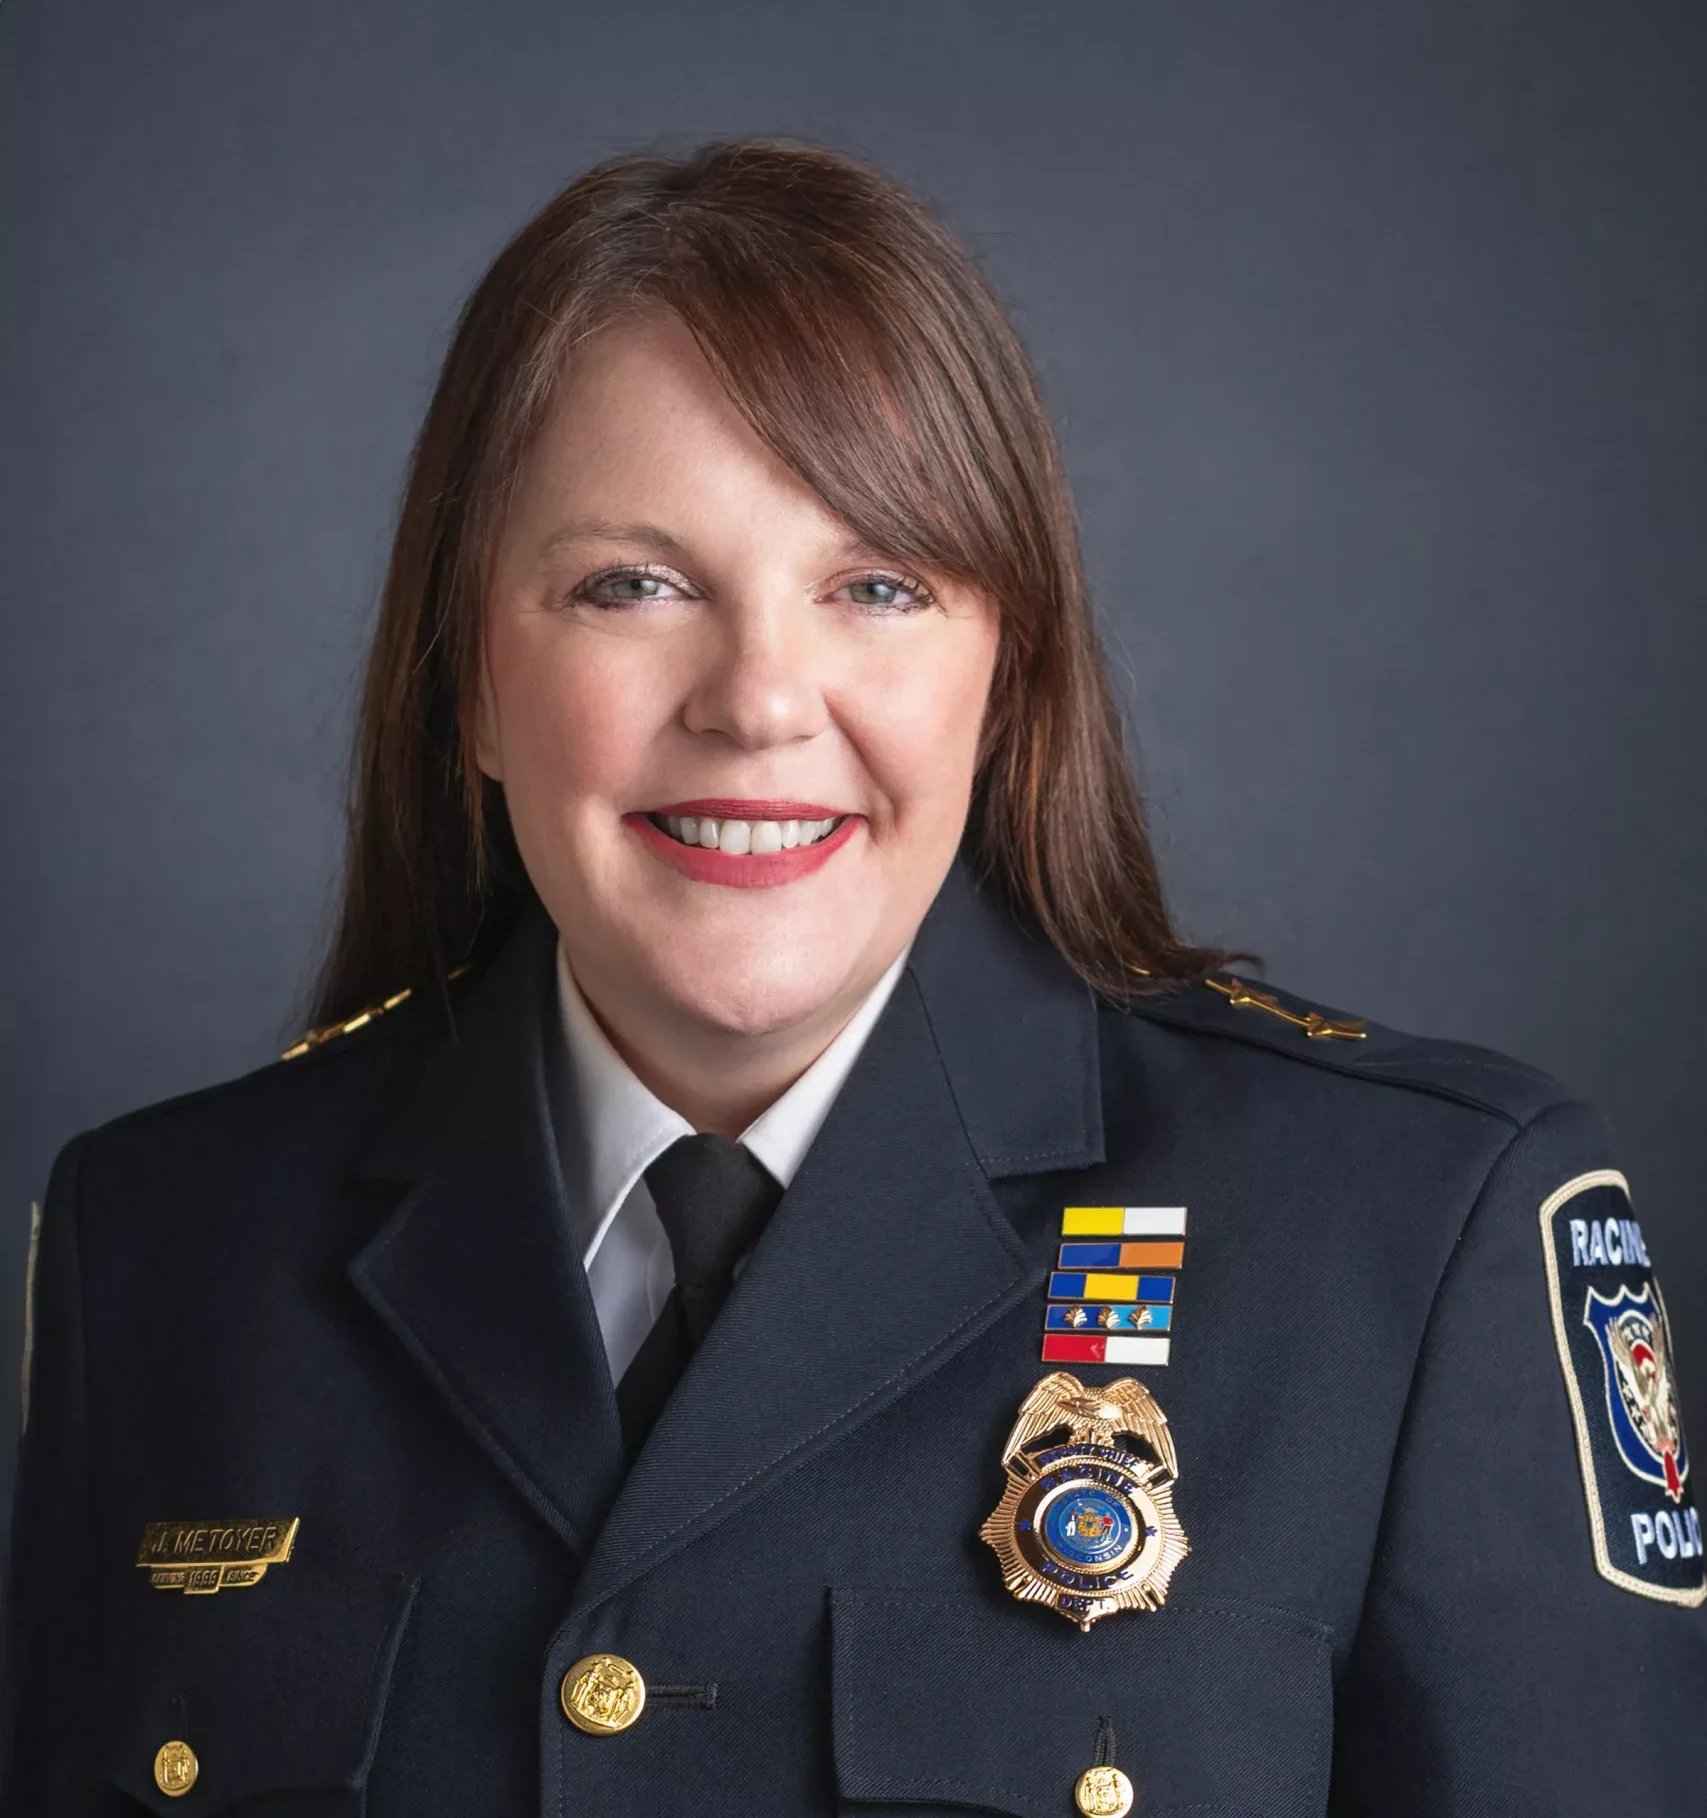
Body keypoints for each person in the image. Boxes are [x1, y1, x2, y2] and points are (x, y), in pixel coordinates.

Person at [5, 137, 1703, 1818]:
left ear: (1004, 671)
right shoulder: (165, 1245)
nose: (757, 698)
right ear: (468, 683)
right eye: (632, 584)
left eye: (875, 583)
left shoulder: (1411, 1233)